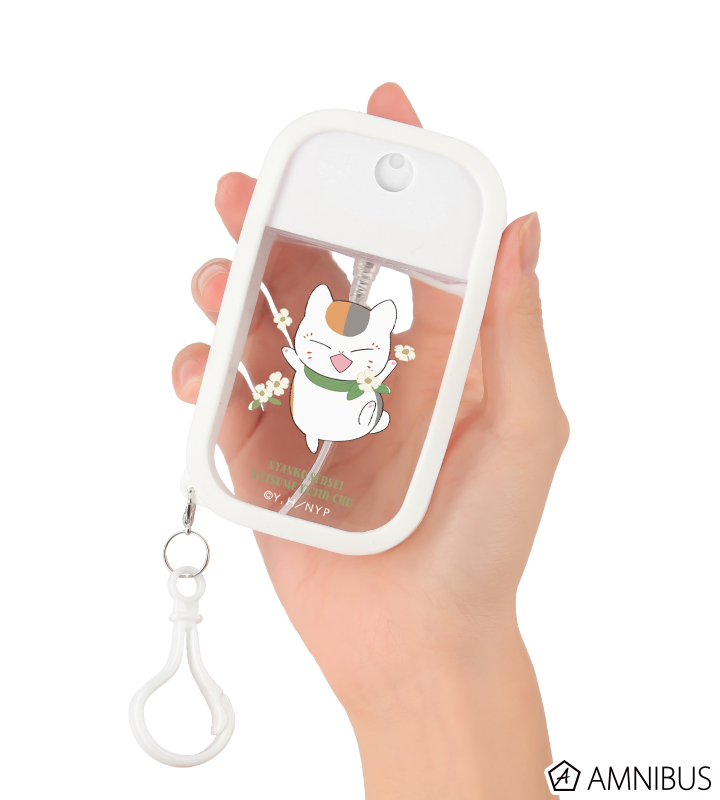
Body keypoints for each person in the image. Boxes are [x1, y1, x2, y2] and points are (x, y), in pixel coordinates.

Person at [172, 82, 568, 799]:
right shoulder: (317, 344)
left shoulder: (376, 373)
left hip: (353, 429)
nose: (340, 354)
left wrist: (433, 661)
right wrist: (424, 676)